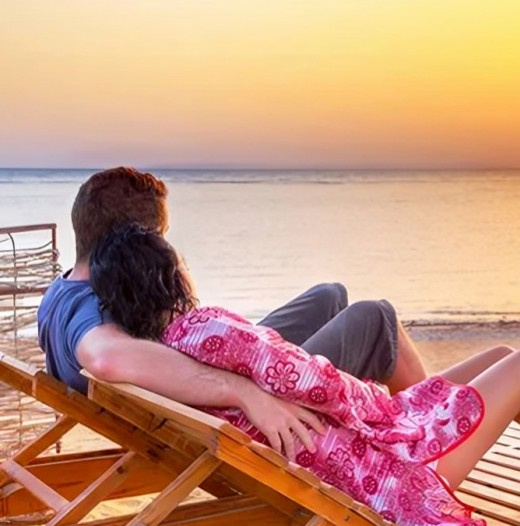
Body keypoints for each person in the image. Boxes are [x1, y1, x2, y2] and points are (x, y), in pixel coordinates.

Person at [89, 223, 520, 526]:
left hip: (349, 453)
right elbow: (313, 381)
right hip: (390, 475)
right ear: (171, 274)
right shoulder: (207, 331)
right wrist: (387, 407)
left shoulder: (165, 353)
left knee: (501, 354)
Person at [37, 167, 427, 453]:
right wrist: (243, 391)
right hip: (228, 423)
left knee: (330, 296)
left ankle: (381, 419)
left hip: (201, 403)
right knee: (375, 319)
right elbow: (106, 358)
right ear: (135, 241)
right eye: (160, 238)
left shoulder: (65, 289)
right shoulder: (90, 313)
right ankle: (426, 438)